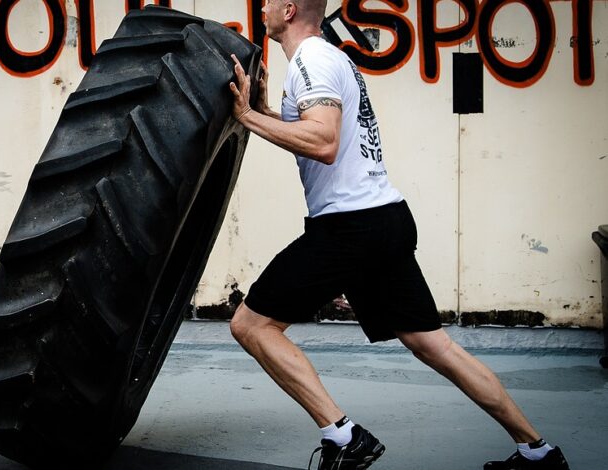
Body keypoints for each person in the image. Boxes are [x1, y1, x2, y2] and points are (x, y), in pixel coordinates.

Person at [227, 1, 570, 469]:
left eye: (270, 1)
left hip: (349, 227)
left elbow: (323, 143)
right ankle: (538, 451)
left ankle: (343, 436)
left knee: (252, 325)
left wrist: (247, 117)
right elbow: (324, 133)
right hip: (383, 217)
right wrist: (266, 110)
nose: (262, 6)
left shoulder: (311, 59)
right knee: (435, 345)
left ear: (288, 11)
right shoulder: (328, 57)